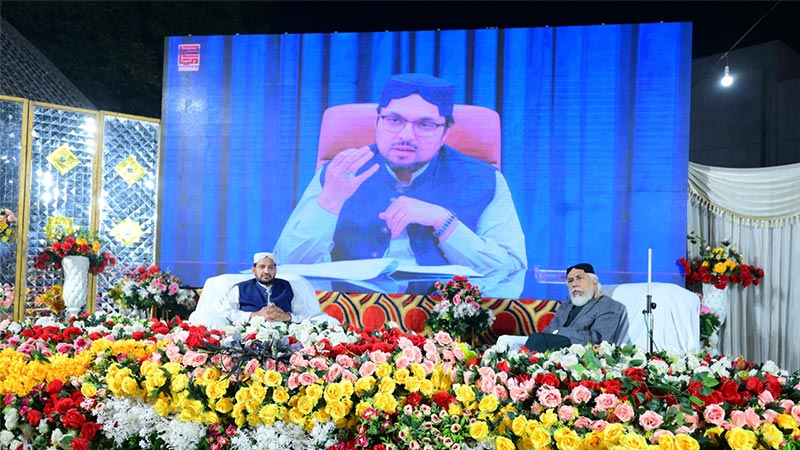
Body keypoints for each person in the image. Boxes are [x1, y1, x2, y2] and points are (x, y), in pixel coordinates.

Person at [274, 73, 526, 287]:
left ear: (445, 133)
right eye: (394, 120)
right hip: (349, 316)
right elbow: (287, 265)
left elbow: (511, 270)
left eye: (425, 124)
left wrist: (443, 221)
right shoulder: (340, 171)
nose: (406, 135)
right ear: (377, 122)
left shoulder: (484, 179)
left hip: (443, 324)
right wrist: (329, 201)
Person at [541, 262, 629, 346]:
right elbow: (550, 329)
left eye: (579, 278)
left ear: (594, 282)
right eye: (570, 280)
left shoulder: (607, 305)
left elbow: (599, 340)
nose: (574, 284)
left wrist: (561, 332)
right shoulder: (565, 305)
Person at [222, 252, 298, 324]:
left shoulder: (286, 286)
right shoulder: (241, 289)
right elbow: (225, 312)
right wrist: (254, 315)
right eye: (262, 267)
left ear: (275, 270)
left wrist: (287, 317)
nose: (266, 271)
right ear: (254, 270)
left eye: (271, 267)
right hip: (250, 336)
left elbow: (305, 313)